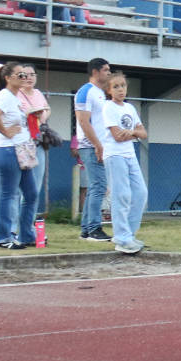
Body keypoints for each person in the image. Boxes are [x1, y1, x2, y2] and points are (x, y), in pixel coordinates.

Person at [0, 62, 38, 250]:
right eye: (20, 75)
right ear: (8, 78)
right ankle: (4, 237)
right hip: (7, 150)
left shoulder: (16, 98)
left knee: (31, 193)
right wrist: (6, 131)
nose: (24, 78)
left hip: (21, 150)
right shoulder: (5, 96)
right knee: (9, 194)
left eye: (25, 75)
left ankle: (26, 235)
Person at [100, 70, 147, 254]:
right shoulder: (108, 107)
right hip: (114, 155)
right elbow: (117, 136)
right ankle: (121, 237)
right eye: (116, 87)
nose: (121, 90)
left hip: (130, 155)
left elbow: (143, 133)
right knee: (122, 195)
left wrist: (133, 133)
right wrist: (131, 133)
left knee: (140, 193)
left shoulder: (130, 108)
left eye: (123, 86)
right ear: (109, 90)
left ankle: (130, 234)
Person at [74, 57, 113, 242]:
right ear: (95, 72)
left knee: (94, 188)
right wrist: (97, 145)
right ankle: (94, 228)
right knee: (98, 186)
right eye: (106, 70)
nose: (109, 73)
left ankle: (86, 229)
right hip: (90, 146)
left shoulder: (99, 93)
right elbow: (83, 121)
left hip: (98, 145)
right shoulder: (86, 92)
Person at [11, 65, 50, 237]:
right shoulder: (15, 94)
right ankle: (13, 227)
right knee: (18, 188)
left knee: (35, 187)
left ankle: (28, 226)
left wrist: (42, 116)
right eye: (25, 75)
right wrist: (32, 113)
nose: (29, 78)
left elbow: (47, 109)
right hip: (21, 142)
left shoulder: (39, 93)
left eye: (32, 74)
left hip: (38, 141)